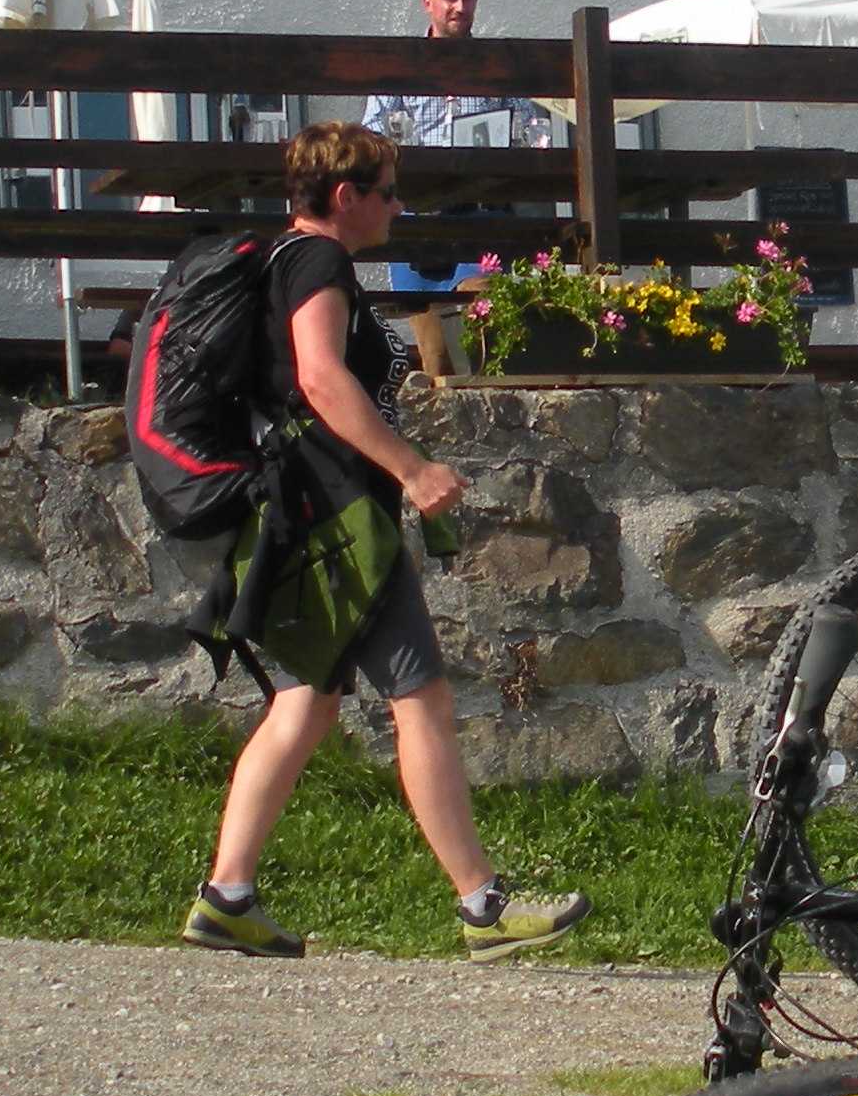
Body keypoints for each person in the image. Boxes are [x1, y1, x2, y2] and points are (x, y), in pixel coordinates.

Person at [184, 121, 588, 963]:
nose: (399, 205)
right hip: (341, 519)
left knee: (304, 704)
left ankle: (227, 898)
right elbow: (322, 379)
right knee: (421, 701)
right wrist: (410, 469)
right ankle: (482, 907)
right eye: (389, 190)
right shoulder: (318, 263)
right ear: (346, 197)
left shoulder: (283, 264)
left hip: (307, 514)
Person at [361, 0, 552, 374]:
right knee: (438, 361)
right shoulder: (399, 67)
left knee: (480, 341)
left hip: (481, 219)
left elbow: (527, 133)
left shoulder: (497, 68)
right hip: (418, 225)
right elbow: (370, 140)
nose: (460, 7)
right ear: (428, 3)